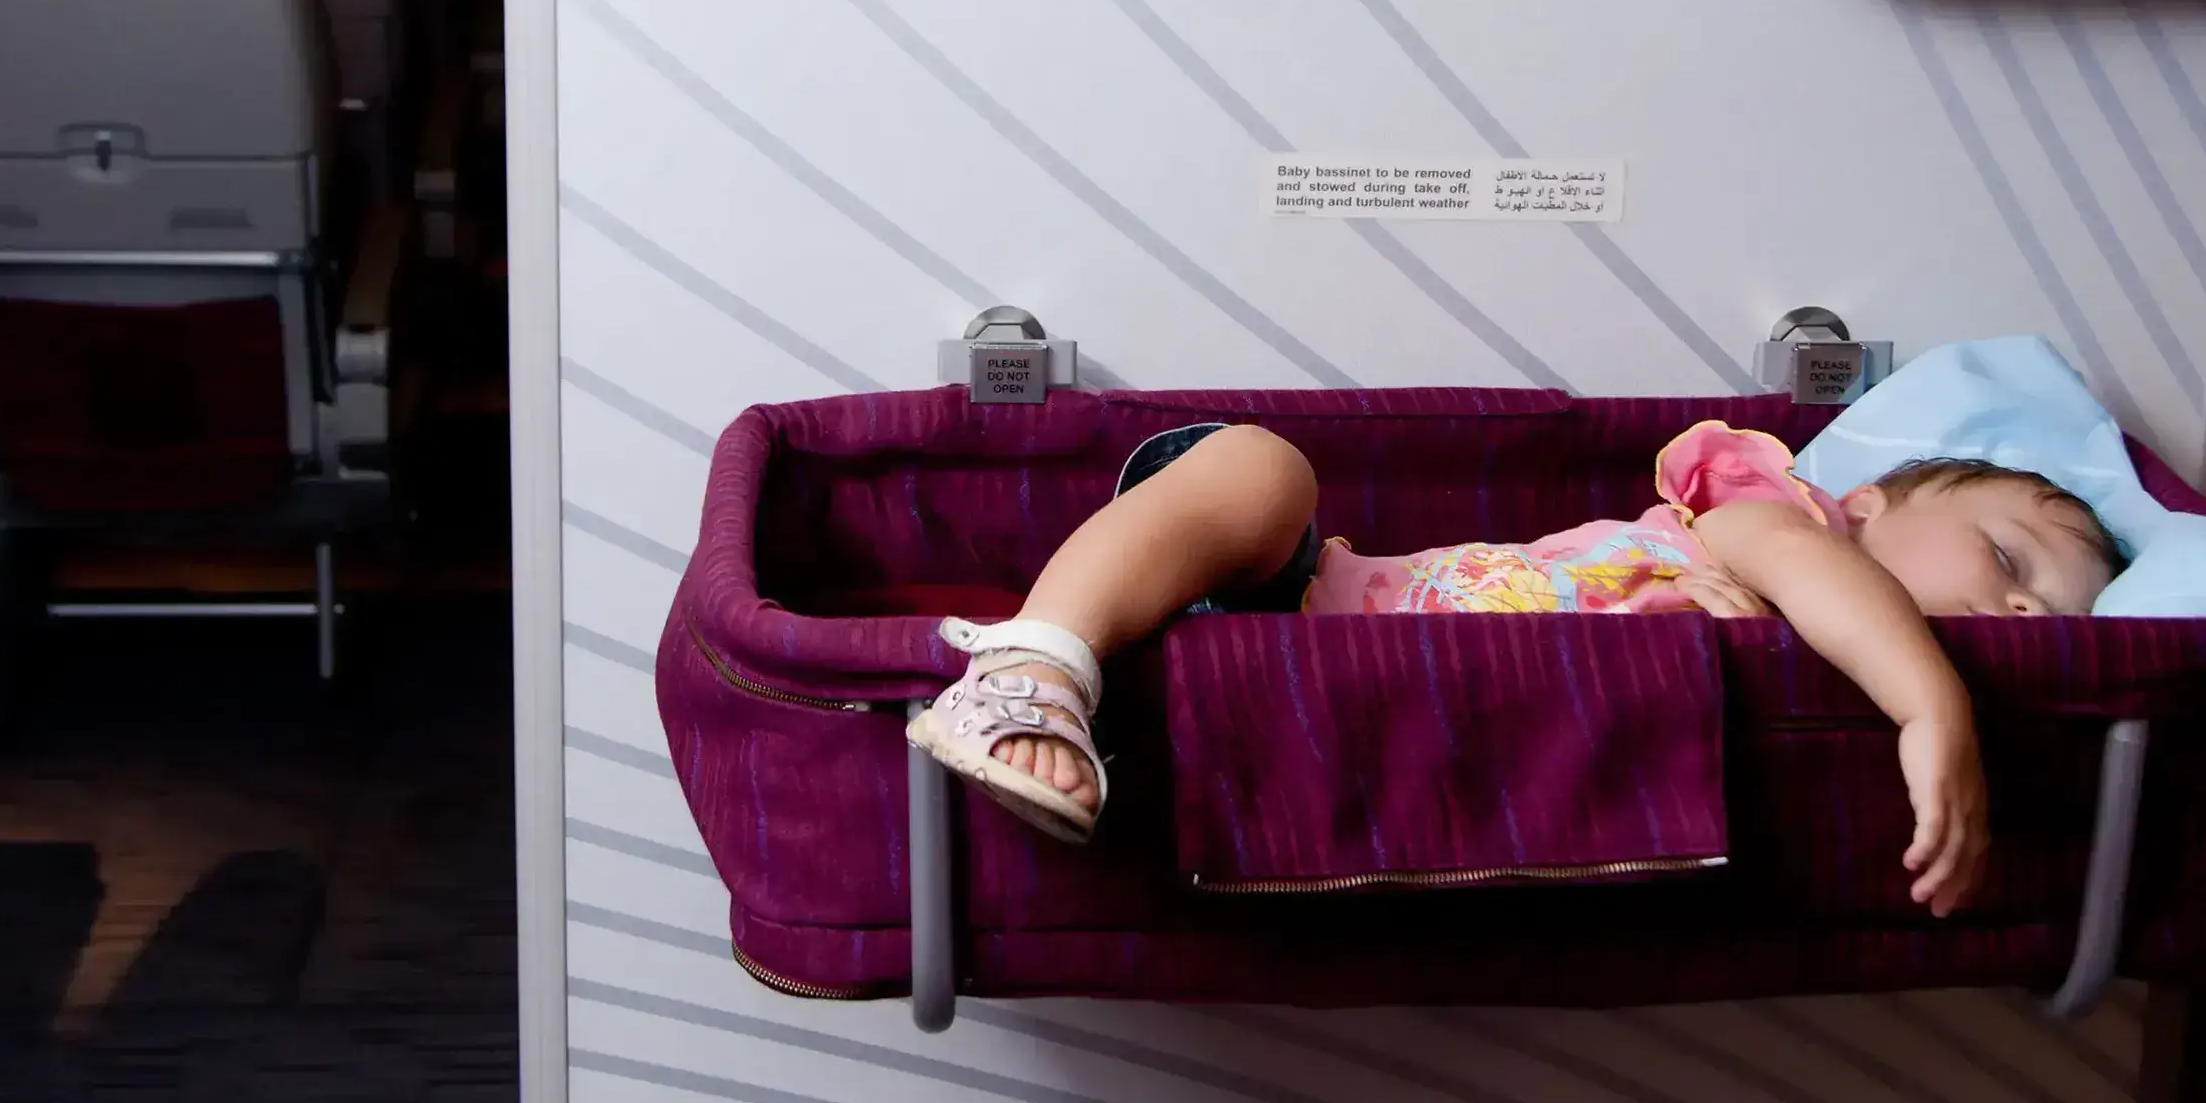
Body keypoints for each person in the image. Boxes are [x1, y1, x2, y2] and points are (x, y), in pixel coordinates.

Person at [906, 418, 2123, 915]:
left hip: (1338, 703)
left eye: (2050, 607)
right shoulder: (1773, 517)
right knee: (1264, 465)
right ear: (1863, 501)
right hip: (1299, 596)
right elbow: (1820, 580)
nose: (2018, 602)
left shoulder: (1793, 614)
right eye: (2006, 553)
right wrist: (1932, 705)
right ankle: (1034, 665)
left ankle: (1058, 664)